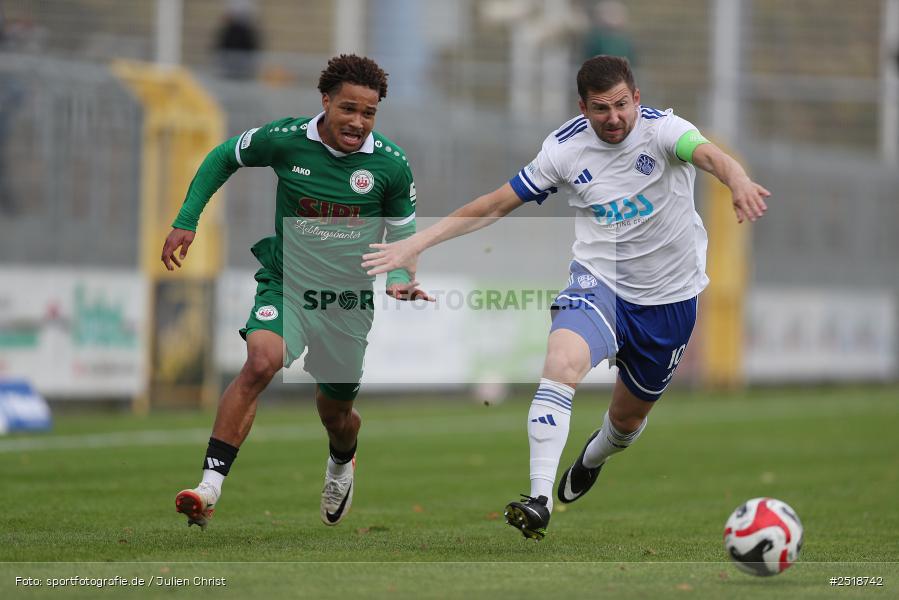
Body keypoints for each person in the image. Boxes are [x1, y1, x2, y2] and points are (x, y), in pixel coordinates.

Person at [362, 55, 769, 540]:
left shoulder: (664, 131)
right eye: (601, 108)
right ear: (583, 107)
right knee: (561, 363)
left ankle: (594, 456)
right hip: (600, 283)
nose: (614, 117)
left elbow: (711, 156)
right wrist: (418, 242)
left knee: (626, 422)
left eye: (621, 105)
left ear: (637, 98)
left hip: (669, 300)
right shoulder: (564, 150)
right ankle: (539, 499)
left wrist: (737, 180)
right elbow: (494, 205)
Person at [162, 54, 430, 530]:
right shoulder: (285, 140)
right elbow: (224, 156)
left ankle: (341, 461)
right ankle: (209, 487)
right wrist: (187, 219)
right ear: (325, 101)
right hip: (287, 283)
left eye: (369, 113)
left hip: (346, 302)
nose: (358, 122)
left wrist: (397, 280)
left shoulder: (390, 165)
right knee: (261, 361)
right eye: (348, 108)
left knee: (337, 414)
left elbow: (403, 231)